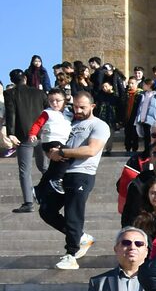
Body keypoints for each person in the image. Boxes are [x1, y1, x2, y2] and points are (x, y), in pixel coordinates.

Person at [41, 88, 108, 270]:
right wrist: (51, 152)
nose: (78, 111)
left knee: (73, 214)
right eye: (75, 107)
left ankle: (71, 254)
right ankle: (81, 237)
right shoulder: (69, 122)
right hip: (62, 173)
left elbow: (91, 150)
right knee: (46, 210)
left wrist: (61, 152)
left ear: (92, 106)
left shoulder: (99, 125)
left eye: (82, 107)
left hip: (82, 174)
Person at [5, 68, 49, 213]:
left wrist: (11, 133)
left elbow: (11, 114)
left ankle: (28, 202)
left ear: (12, 81)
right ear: (25, 78)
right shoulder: (39, 93)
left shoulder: (10, 93)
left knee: (25, 170)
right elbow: (47, 112)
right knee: (44, 167)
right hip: (41, 133)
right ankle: (53, 195)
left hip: (23, 135)